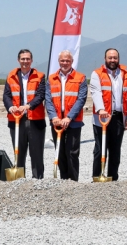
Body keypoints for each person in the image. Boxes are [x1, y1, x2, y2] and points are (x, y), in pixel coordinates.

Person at [90, 48, 127, 181]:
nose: (112, 60)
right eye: (110, 58)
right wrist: (101, 109)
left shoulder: (126, 74)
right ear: (105, 59)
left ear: (118, 59)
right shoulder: (97, 74)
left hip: (119, 117)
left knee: (115, 150)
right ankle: (97, 177)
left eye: (115, 58)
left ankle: (112, 178)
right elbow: (96, 92)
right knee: (100, 149)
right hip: (102, 117)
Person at [2, 49, 47, 179]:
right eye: (23, 59)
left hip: (35, 120)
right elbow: (6, 95)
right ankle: (19, 181)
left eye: (28, 59)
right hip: (16, 120)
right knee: (18, 151)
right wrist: (10, 107)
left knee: (36, 153)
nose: (25, 61)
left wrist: (28, 106)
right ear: (18, 60)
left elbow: (40, 95)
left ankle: (37, 179)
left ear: (31, 60)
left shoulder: (40, 76)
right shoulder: (11, 76)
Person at [45, 50, 87, 181]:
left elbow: (81, 99)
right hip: (57, 121)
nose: (65, 63)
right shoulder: (51, 78)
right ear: (58, 62)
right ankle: (63, 180)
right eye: (62, 60)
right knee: (60, 152)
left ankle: (73, 181)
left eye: (67, 60)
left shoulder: (80, 78)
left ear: (72, 62)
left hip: (73, 121)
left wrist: (69, 117)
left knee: (72, 152)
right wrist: (54, 117)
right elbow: (48, 99)